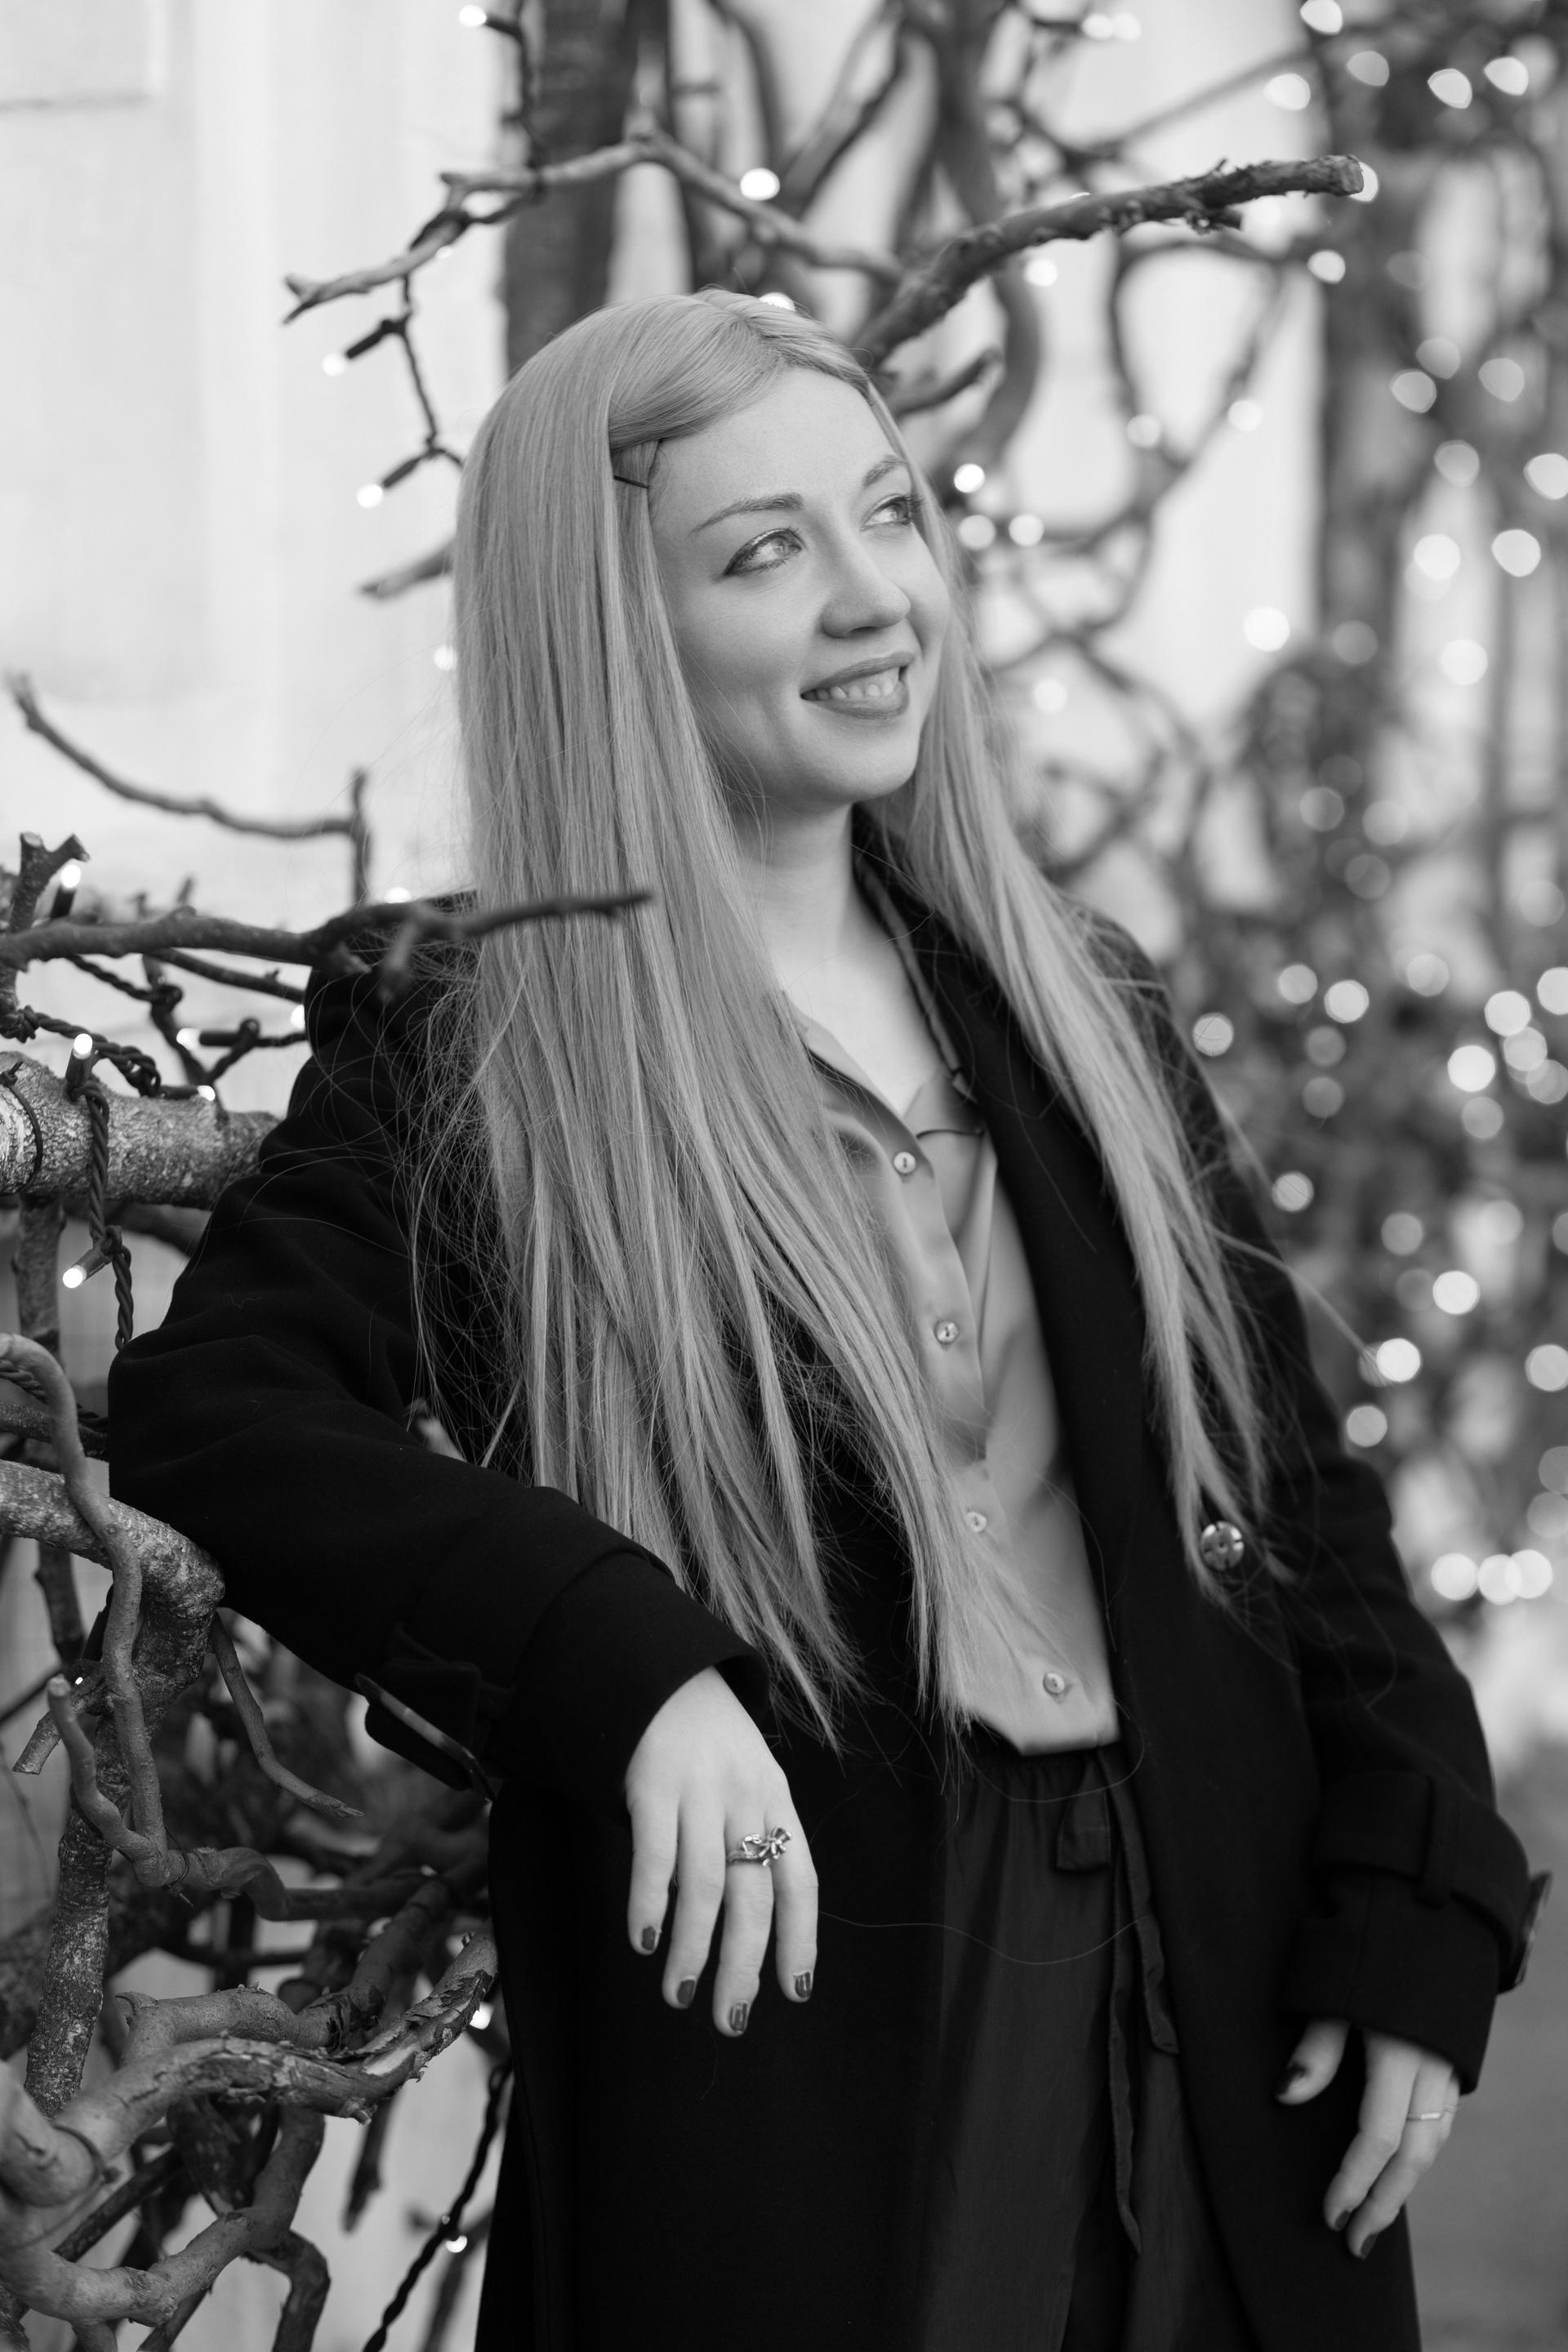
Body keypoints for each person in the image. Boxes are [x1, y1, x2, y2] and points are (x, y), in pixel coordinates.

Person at [109, 292, 1540, 2352]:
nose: (876, 598)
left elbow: (1297, 1503)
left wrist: (1414, 1901)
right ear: (616, 631)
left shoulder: (1079, 1003)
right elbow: (223, 1410)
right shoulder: (482, 1042)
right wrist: (626, 1663)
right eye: (765, 551)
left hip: (1222, 1978)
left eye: (889, 512)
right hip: (814, 2028)